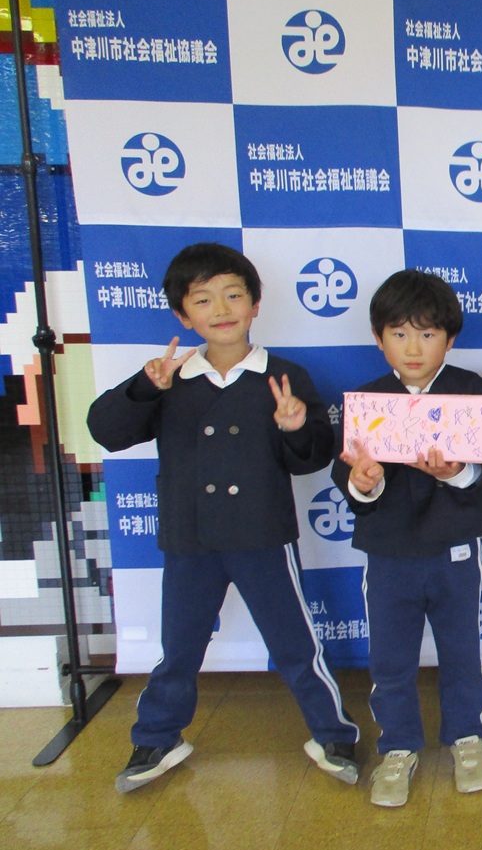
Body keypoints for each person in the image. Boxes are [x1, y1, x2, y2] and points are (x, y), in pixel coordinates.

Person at [87, 243, 358, 793]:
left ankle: (334, 734)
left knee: (296, 646)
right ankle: (157, 737)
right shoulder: (169, 378)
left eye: (234, 294)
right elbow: (106, 432)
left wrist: (296, 427)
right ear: (183, 316)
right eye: (203, 299)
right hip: (190, 539)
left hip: (262, 536)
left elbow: (312, 457)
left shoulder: (284, 376)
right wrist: (144, 386)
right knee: (179, 648)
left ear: (255, 304)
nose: (222, 308)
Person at [332, 270, 482, 807]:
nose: (413, 347)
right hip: (388, 554)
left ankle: (467, 738)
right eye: (399, 333)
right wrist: (364, 482)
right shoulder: (367, 402)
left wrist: (456, 473)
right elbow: (348, 474)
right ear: (379, 339)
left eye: (427, 334)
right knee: (391, 660)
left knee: (462, 653)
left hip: (454, 552)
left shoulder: (473, 393)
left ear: (450, 339)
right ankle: (398, 746)